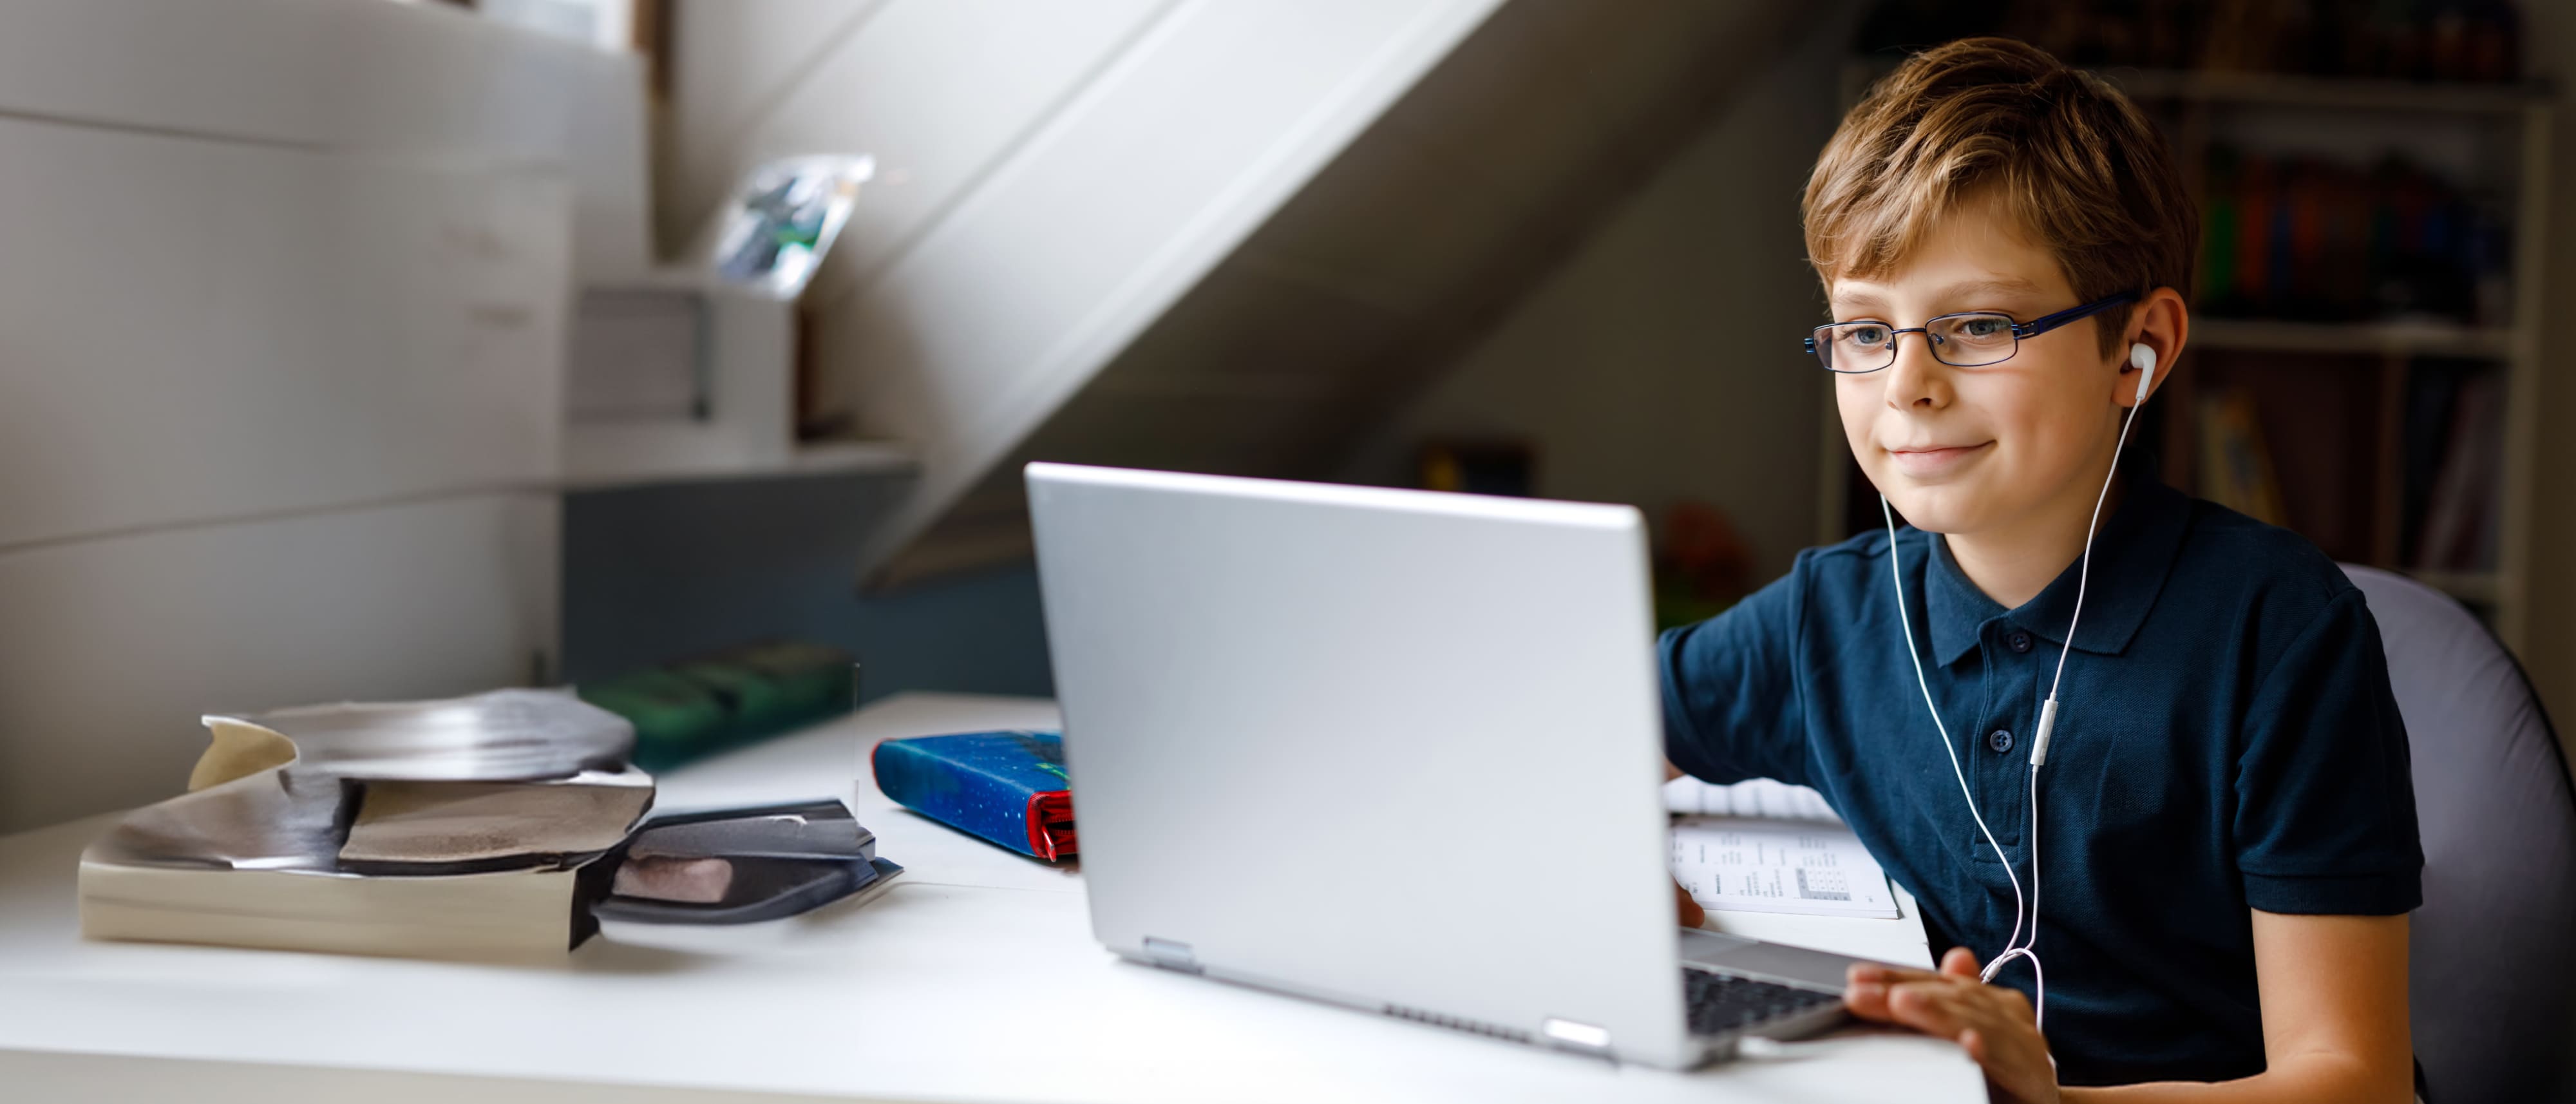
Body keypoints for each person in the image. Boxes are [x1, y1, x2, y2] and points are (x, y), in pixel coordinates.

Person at [1659, 38, 2420, 1103]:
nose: (1908, 384)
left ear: (2137, 350)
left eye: (1977, 326)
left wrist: (2051, 1103)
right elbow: (1586, 736)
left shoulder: (2279, 632)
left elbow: (2356, 1079)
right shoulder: (1830, 615)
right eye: (1866, 330)